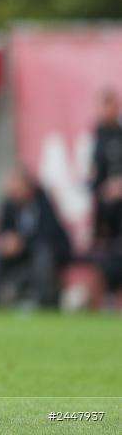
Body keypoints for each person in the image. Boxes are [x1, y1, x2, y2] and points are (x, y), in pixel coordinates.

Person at [0, 168, 72, 308]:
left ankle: (46, 303)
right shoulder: (8, 205)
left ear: (27, 187)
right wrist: (6, 242)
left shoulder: (44, 204)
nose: (12, 193)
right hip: (17, 255)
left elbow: (49, 235)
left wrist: (22, 243)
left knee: (43, 256)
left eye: (16, 188)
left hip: (45, 253)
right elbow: (2, 231)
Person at [89, 88, 122, 295]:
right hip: (106, 209)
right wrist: (103, 190)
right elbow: (94, 174)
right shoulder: (97, 136)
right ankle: (109, 293)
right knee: (107, 250)